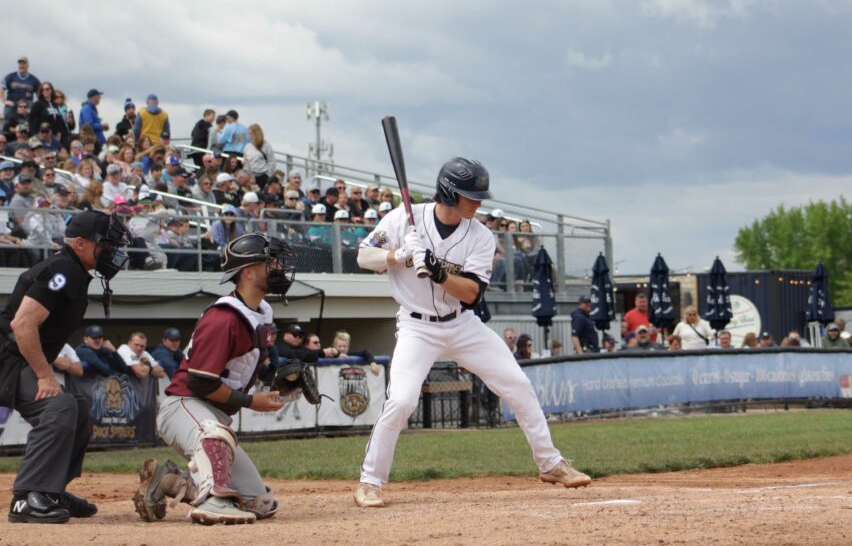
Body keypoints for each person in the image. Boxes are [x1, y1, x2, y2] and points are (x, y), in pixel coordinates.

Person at [353, 156, 589, 508]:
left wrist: (438, 272)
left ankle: (551, 463)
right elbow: (362, 257)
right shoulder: (404, 219)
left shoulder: (481, 235)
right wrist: (400, 254)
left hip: (461, 324)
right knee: (401, 400)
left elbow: (472, 294)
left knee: (518, 385)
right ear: (449, 193)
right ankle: (370, 482)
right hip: (416, 326)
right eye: (470, 196)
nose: (478, 203)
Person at [134, 234, 295, 525]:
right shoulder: (224, 318)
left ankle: (168, 481)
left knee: (260, 503)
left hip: (211, 410)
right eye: (269, 263)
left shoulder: (258, 314)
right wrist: (249, 402)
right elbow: (199, 383)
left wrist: (285, 383)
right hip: (183, 405)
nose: (278, 268)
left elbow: (242, 371)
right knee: (215, 432)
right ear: (247, 272)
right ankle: (212, 502)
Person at [0, 210, 131, 523]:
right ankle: (27, 498)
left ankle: (50, 490)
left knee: (78, 408)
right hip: (7, 360)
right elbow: (22, 324)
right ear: (81, 243)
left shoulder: (72, 270)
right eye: (106, 245)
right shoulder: (63, 268)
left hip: (14, 359)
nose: (112, 252)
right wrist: (45, 375)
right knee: (59, 407)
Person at [3, 56, 40, 126]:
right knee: (9, 120)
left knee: (30, 121)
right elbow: (1, 88)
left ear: (28, 65)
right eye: (20, 64)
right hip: (13, 103)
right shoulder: (11, 76)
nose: (21, 65)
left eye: (24, 63)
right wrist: (4, 100)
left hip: (27, 104)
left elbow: (40, 94)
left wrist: (37, 106)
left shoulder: (34, 79)